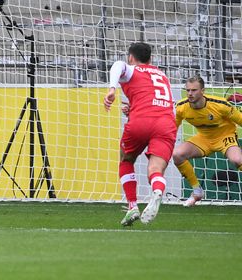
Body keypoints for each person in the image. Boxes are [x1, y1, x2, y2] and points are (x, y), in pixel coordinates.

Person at [103, 42, 176, 226]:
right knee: (155, 170)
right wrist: (133, 108)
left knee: (126, 160)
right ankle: (158, 189)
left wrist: (112, 89)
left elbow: (118, 66)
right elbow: (154, 98)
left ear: (131, 58)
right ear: (150, 59)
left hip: (142, 121)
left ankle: (133, 206)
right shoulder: (162, 75)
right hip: (166, 123)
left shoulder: (132, 69)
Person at [172, 76, 242, 206]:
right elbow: (171, 129)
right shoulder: (181, 107)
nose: (190, 94)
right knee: (177, 154)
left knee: (237, 160)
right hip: (203, 139)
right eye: (188, 90)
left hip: (225, 137)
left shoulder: (220, 105)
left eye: (194, 90)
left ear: (202, 91)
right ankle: (197, 191)